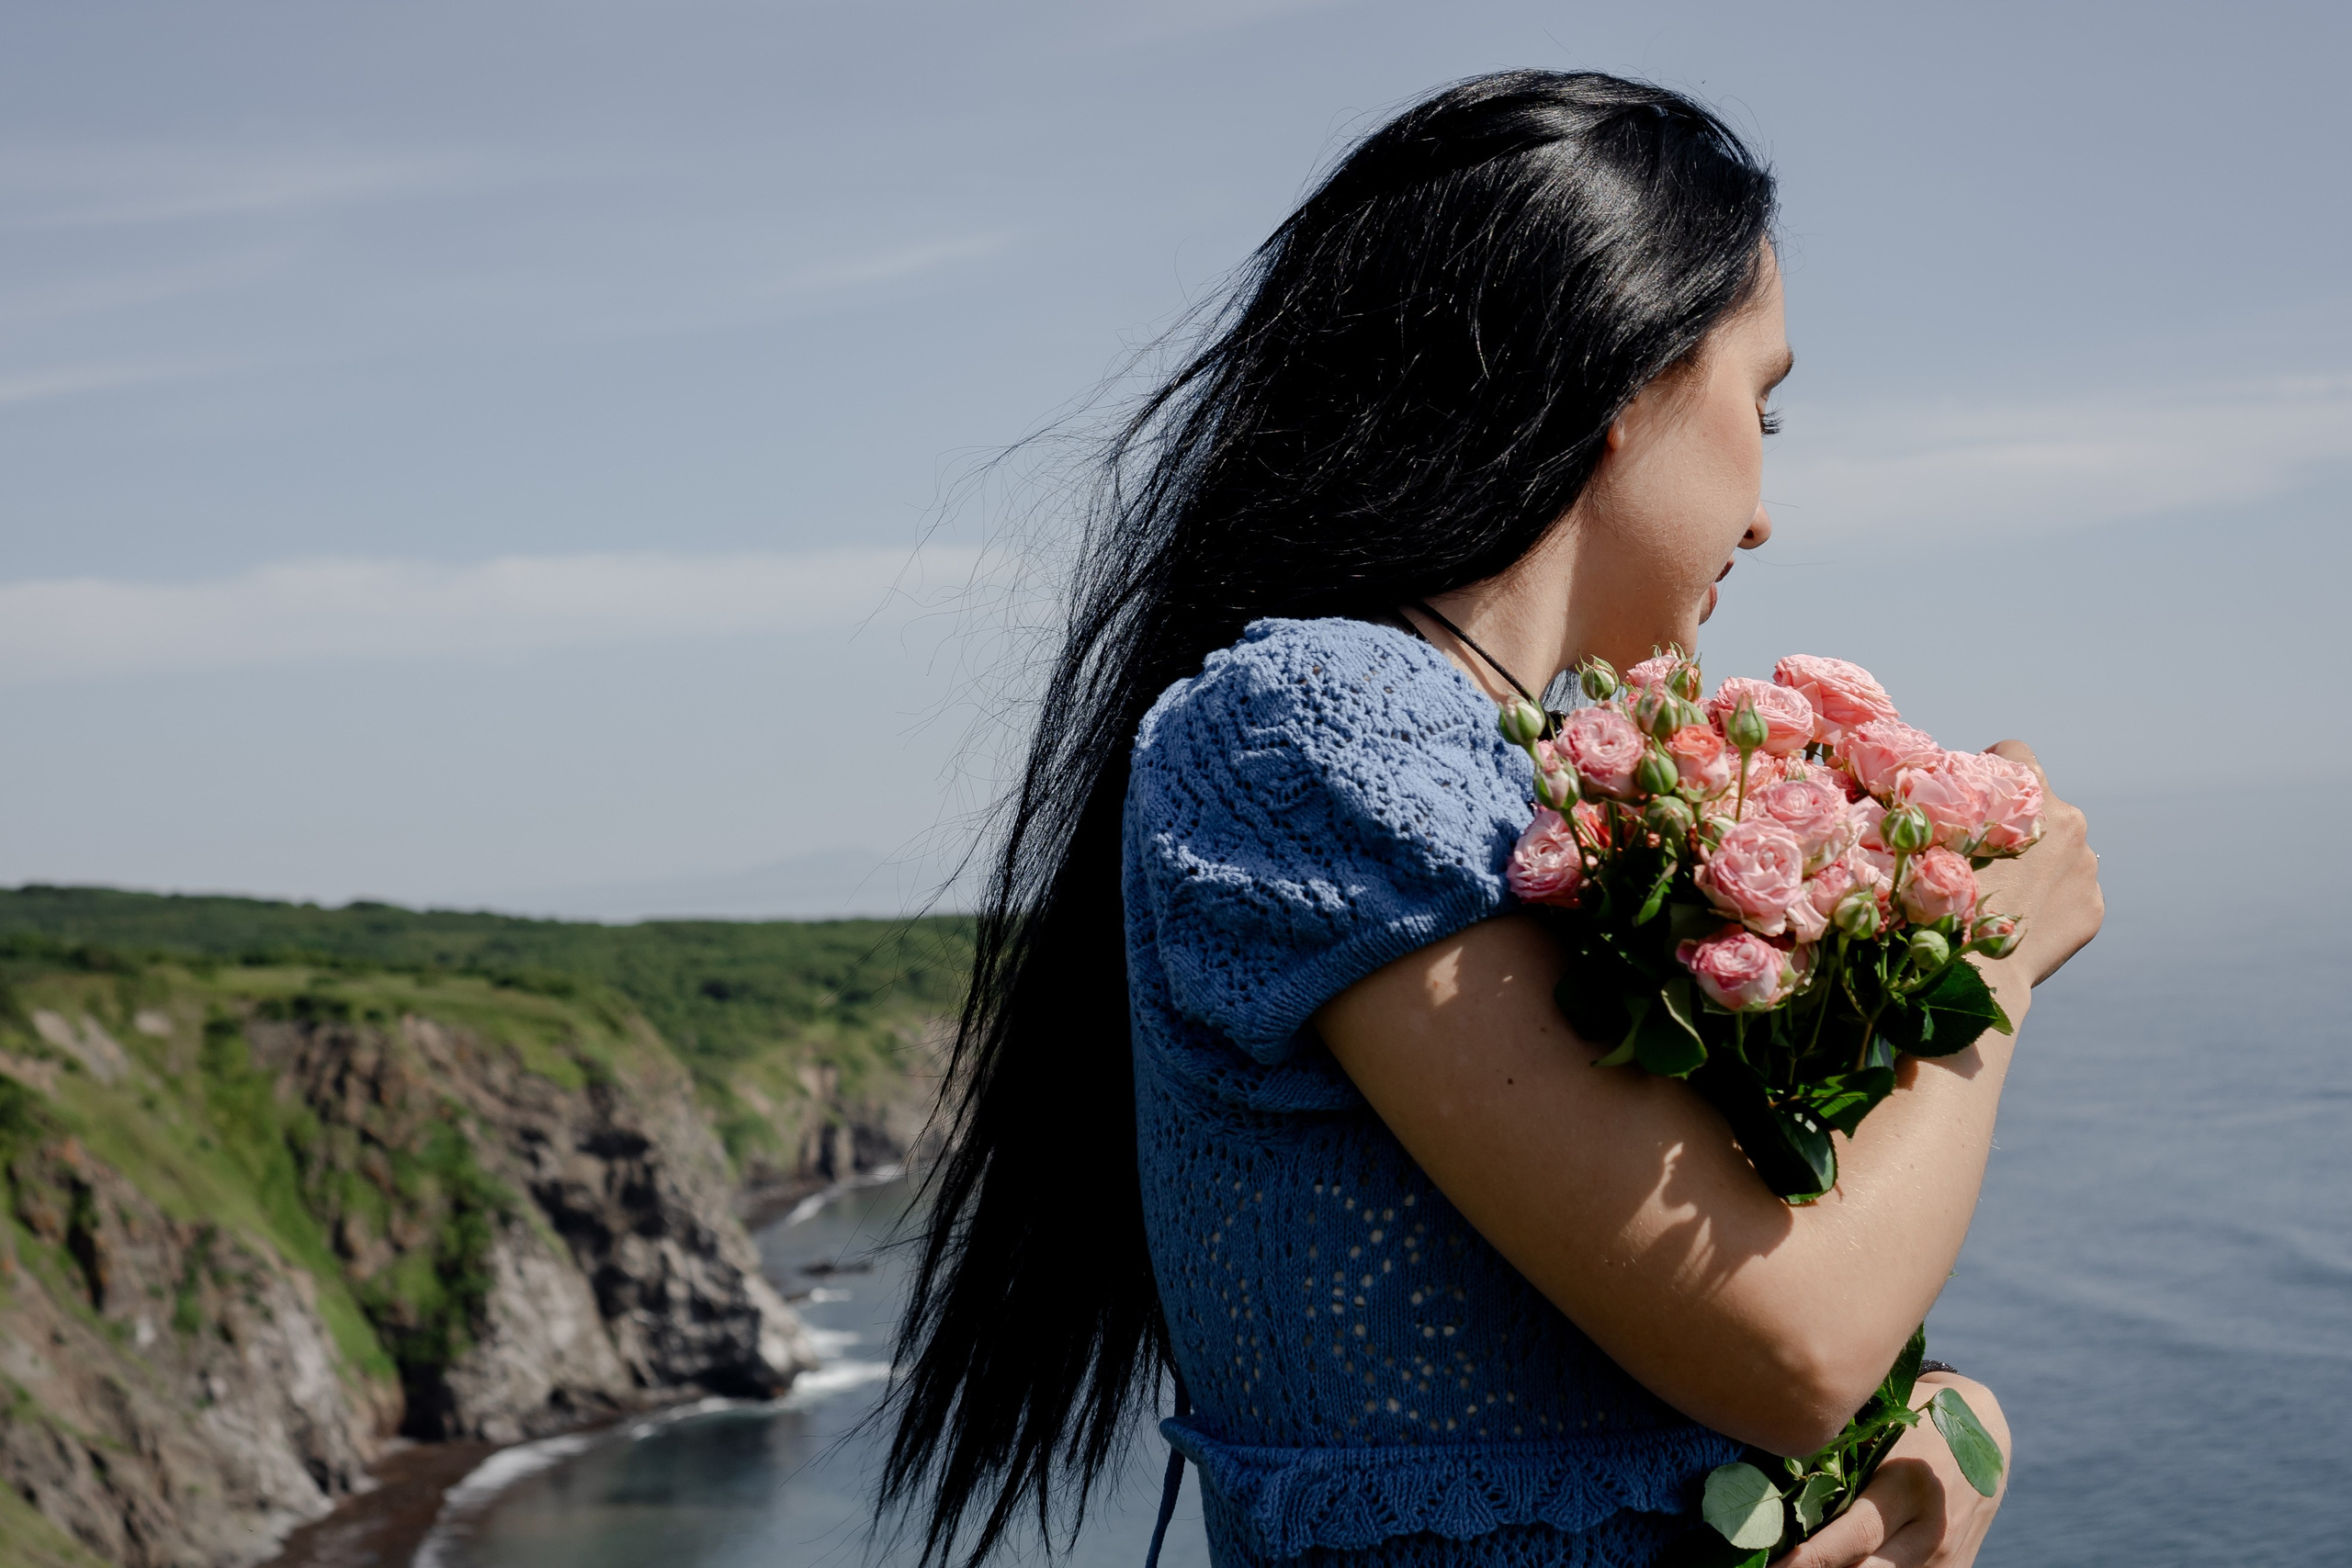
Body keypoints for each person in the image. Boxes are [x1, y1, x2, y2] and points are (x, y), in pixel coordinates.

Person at [883, 69, 2104, 1568]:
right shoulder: (1311, 733)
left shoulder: (1512, 762)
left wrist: (1954, 1435)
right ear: (1621, 373)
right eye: (1762, 405)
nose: (1770, 509)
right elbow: (1794, 1349)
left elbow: (1767, 1306)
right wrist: (1986, 956)